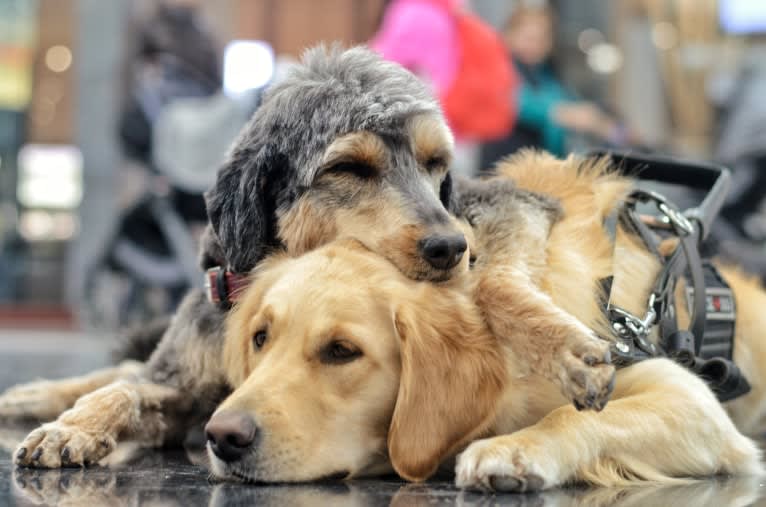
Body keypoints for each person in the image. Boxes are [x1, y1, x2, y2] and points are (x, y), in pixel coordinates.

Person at [371, 0, 517, 177]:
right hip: (457, 128)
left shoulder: (414, 13)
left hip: (420, 131)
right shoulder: (452, 13)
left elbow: (385, 67)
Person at [481, 4, 629, 169]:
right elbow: (525, 105)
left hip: (540, 167)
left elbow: (570, 101)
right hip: (504, 167)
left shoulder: (544, 74)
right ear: (509, 36)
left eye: (542, 39)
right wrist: (575, 116)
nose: (535, 45)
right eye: (529, 38)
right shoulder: (500, 71)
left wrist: (606, 120)